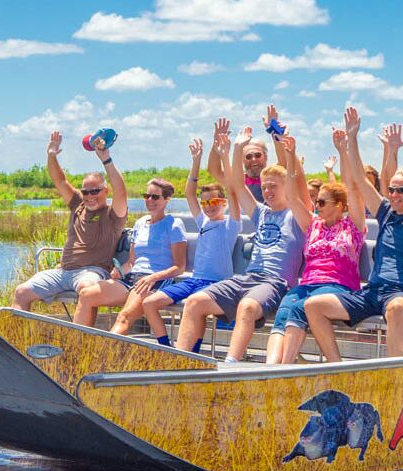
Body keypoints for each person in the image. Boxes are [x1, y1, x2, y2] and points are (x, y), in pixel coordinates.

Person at [304, 81, 403, 360]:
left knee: (396, 309)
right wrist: (352, 140)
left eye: (401, 190)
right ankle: (337, 367)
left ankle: (394, 372)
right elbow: (356, 180)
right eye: (391, 189)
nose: (394, 194)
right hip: (373, 292)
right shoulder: (386, 211)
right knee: (314, 305)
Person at [175, 126, 305, 362]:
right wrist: (235, 149)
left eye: (273, 186)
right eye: (264, 186)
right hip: (248, 277)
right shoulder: (261, 213)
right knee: (194, 302)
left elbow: (298, 183)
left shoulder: (296, 215)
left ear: (286, 187)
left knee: (246, 306)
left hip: (275, 282)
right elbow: (236, 184)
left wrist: (287, 149)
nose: (267, 190)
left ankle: (230, 365)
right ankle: (178, 362)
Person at [265, 130, 366, 365]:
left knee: (300, 308)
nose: (317, 206)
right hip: (308, 285)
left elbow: (353, 187)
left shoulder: (353, 225)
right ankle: (271, 367)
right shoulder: (313, 225)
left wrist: (344, 150)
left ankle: (284, 370)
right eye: (316, 202)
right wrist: (290, 157)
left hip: (338, 287)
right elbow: (291, 196)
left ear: (340, 205)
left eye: (322, 202)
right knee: (284, 311)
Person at [142, 136, 243, 346]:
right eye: (205, 202)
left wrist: (225, 155)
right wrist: (196, 161)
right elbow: (190, 193)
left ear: (223, 202)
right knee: (150, 303)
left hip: (216, 284)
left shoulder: (231, 225)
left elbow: (234, 192)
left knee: (194, 306)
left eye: (215, 201)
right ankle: (165, 348)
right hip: (194, 280)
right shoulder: (203, 222)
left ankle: (190, 352)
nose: (209, 206)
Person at [12, 131, 128, 312]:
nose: (90, 196)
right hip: (63, 271)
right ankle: (18, 338)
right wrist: (51, 155)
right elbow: (59, 180)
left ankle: (81, 338)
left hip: (91, 271)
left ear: (106, 191)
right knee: (22, 292)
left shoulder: (113, 215)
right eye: (86, 192)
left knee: (86, 290)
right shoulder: (77, 204)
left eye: (95, 191)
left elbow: (121, 192)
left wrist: (106, 159)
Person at [73, 177, 187, 331]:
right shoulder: (140, 223)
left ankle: (106, 354)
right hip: (131, 278)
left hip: (155, 281)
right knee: (86, 295)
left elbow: (179, 267)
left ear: (167, 199)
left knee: (123, 317)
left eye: (155, 197)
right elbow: (132, 262)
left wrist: (152, 278)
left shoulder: (174, 225)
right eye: (147, 196)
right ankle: (79, 347)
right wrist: (120, 271)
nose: (149, 200)